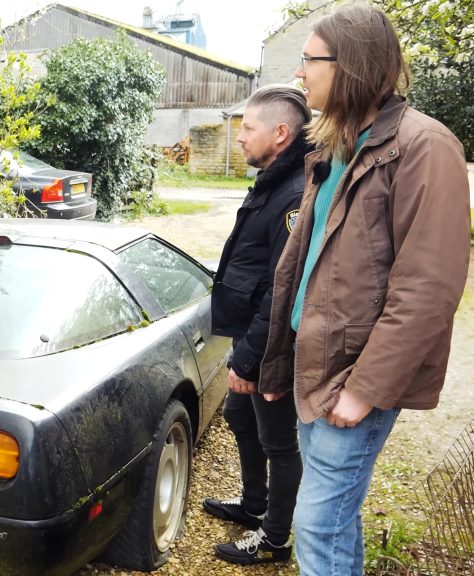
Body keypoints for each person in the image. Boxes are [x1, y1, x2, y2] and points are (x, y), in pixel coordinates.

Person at [258, 6, 471, 574]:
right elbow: (302, 267)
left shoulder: (426, 146)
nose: (300, 74)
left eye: (309, 60)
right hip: (316, 362)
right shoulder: (337, 145)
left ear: (350, 65)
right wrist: (281, 358)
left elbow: (429, 288)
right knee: (331, 517)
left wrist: (366, 388)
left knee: (317, 524)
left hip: (353, 375)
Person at [203, 84, 311, 565]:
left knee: (278, 441)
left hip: (269, 346)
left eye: (248, 127)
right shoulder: (273, 178)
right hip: (250, 334)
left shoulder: (292, 194)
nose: (239, 137)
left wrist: (249, 358)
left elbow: (280, 289)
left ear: (281, 133)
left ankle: (274, 540)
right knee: (238, 417)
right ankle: (253, 505)